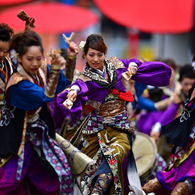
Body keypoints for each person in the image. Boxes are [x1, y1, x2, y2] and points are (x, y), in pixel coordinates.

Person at [56, 34, 172, 195]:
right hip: (95, 134)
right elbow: (78, 85)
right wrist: (73, 91)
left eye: (99, 54)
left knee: (114, 156)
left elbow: (131, 63)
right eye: (91, 55)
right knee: (90, 175)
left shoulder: (116, 65)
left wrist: (133, 66)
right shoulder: (86, 78)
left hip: (120, 130)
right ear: (85, 55)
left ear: (105, 53)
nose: (96, 59)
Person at [0, 31, 78, 194]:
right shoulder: (17, 83)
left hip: (38, 137)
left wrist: (71, 57)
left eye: (39, 58)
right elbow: (45, 97)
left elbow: (65, 83)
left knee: (59, 177)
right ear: (19, 58)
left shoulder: (41, 70)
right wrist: (55, 71)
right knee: (8, 182)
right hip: (15, 138)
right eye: (30, 59)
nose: (35, 63)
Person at [142, 79, 195, 195]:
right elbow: (167, 114)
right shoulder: (178, 98)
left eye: (192, 84)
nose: (189, 87)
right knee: (146, 188)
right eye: (186, 84)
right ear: (181, 84)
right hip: (179, 151)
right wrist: (157, 128)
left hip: (189, 157)